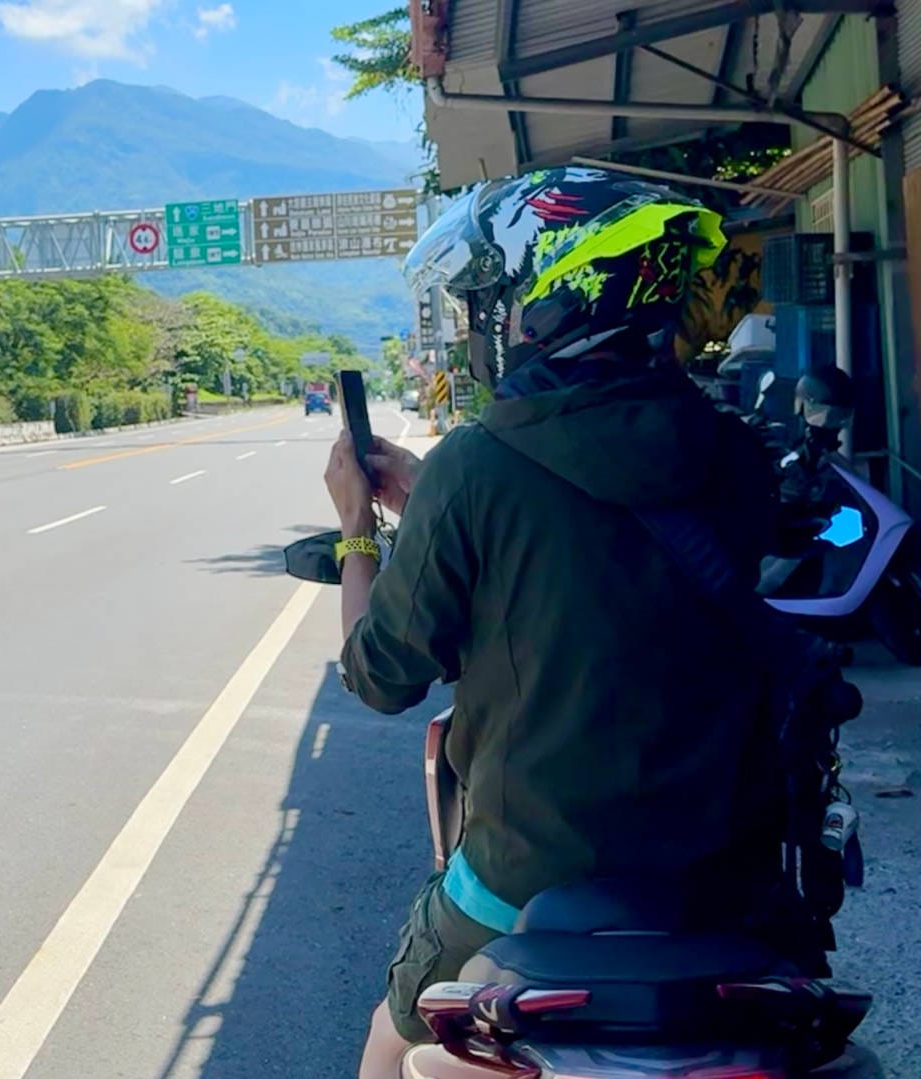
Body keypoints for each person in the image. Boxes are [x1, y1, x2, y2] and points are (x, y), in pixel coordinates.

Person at [323, 168, 793, 1078]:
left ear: (541, 304)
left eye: (494, 306)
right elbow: (607, 553)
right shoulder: (734, 454)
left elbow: (378, 675)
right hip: (722, 869)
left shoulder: (477, 466)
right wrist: (437, 497)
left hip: (526, 875)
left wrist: (357, 530)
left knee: (393, 1038)